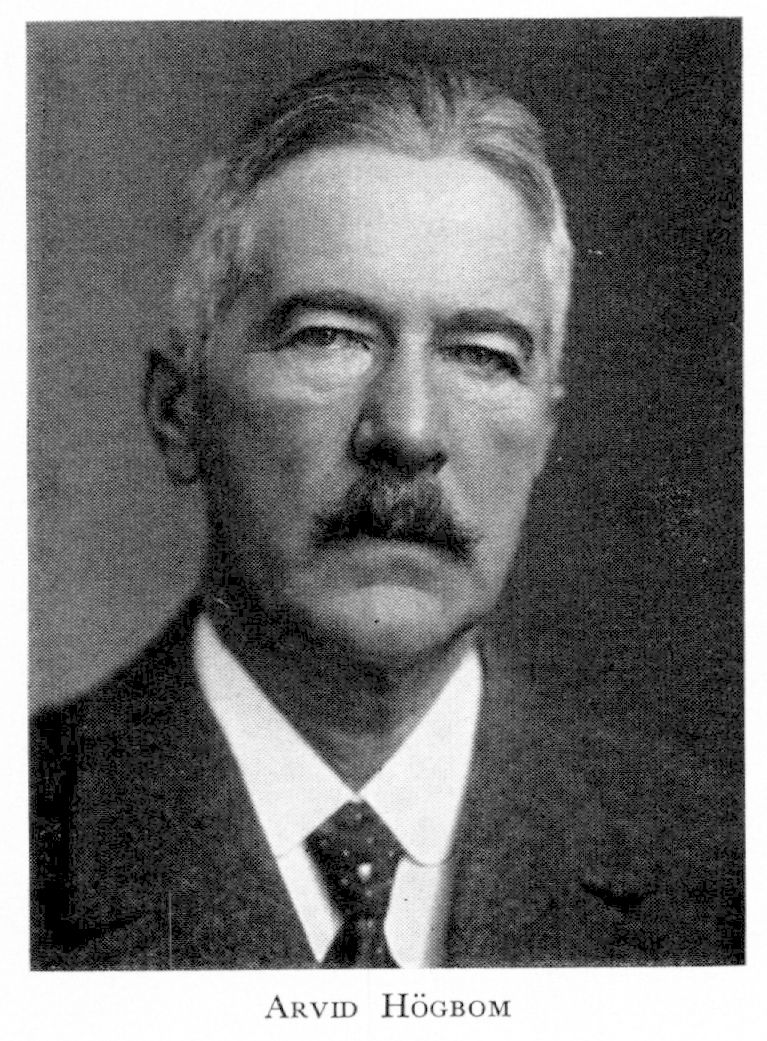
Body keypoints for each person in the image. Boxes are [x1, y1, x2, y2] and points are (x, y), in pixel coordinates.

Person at [30, 61, 742, 969]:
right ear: (179, 413)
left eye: (481, 354)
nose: (407, 430)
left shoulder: (721, 881)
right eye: (329, 335)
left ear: (544, 433)